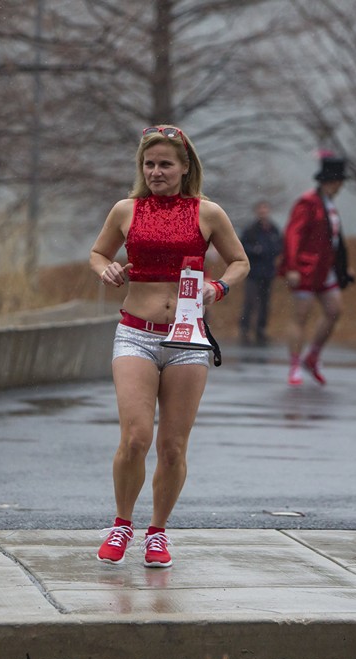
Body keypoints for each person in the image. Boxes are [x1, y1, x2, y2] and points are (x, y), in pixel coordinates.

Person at [89, 125, 249, 567]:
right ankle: (122, 523)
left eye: (165, 164)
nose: (156, 171)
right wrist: (107, 270)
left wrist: (219, 287)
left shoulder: (207, 212)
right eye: (149, 164)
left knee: (173, 446)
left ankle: (157, 532)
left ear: (184, 167)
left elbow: (240, 261)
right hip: (136, 333)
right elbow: (99, 253)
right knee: (136, 436)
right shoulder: (126, 210)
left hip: (187, 339)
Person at [279, 152, 353, 386]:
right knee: (301, 315)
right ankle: (294, 364)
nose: (341, 186)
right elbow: (293, 233)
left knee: (334, 310)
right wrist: (291, 266)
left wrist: (343, 268)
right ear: (333, 181)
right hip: (305, 267)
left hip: (325, 269)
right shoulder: (308, 202)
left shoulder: (329, 204)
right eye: (340, 181)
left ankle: (312, 356)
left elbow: (335, 239)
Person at [238, 201, 283, 346]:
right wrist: (256, 250)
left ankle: (261, 329)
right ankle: (244, 329)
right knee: (250, 302)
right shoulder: (250, 230)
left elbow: (279, 246)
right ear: (257, 211)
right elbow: (242, 247)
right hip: (253, 272)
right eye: (261, 210)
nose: (263, 213)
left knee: (265, 303)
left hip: (268, 272)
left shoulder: (274, 229)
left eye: (265, 210)